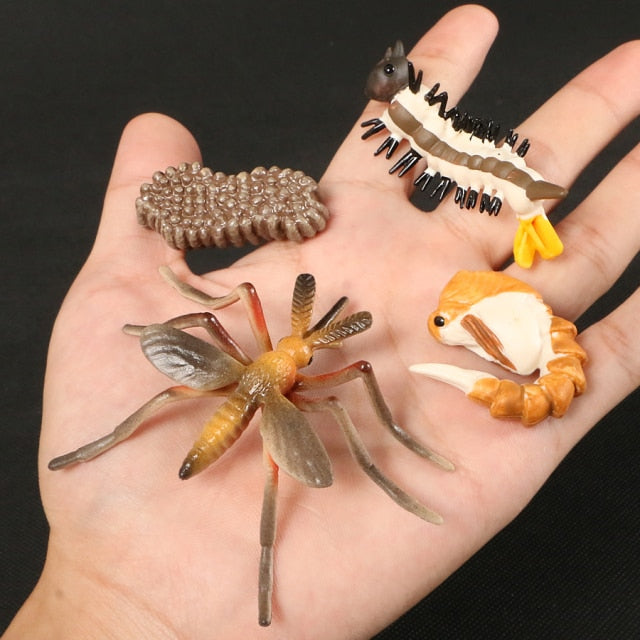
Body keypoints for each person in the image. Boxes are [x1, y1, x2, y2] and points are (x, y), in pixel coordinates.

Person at [3, 5, 638, 639]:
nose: (302, 353)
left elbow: (269, 342)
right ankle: (120, 452)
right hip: (248, 387)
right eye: (301, 350)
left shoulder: (302, 375)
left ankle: (262, 560)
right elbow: (236, 322)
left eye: (303, 353)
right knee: (233, 432)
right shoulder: (304, 376)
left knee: (224, 428)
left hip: (247, 384)